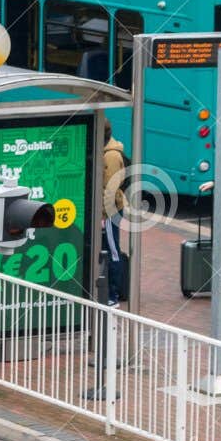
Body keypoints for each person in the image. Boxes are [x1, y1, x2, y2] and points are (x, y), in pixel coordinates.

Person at [100, 123, 129, 306]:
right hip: (105, 210)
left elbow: (109, 188)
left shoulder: (110, 155)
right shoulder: (106, 150)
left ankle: (112, 295)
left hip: (109, 211)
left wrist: (103, 214)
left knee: (112, 251)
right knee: (106, 249)